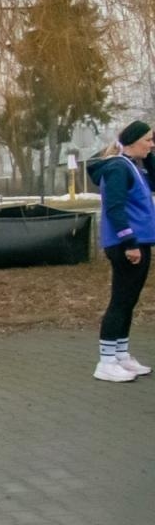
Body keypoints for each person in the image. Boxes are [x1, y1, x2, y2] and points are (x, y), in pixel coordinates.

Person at [86, 120, 155, 382]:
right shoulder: (117, 168)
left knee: (129, 301)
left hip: (139, 243)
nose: (152, 144)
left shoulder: (133, 167)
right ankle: (105, 361)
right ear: (133, 141)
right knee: (120, 301)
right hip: (127, 245)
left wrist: (150, 156)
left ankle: (121, 355)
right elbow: (114, 208)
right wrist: (130, 243)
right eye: (148, 140)